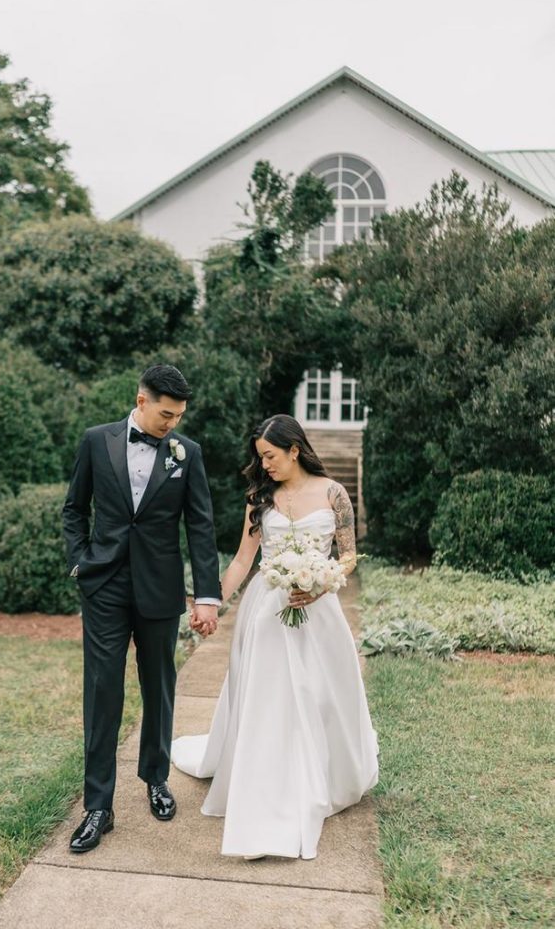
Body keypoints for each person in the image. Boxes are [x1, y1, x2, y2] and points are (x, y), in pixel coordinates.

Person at [174, 413, 379, 860]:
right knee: (271, 700)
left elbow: (348, 557)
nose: (264, 464)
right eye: (260, 457)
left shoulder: (334, 493)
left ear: (294, 449)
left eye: (270, 455)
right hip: (266, 613)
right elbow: (243, 560)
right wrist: (213, 601)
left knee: (319, 696)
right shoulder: (259, 499)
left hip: (318, 611)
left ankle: (317, 776)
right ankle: (268, 789)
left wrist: (321, 581)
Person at [62, 364, 221, 853]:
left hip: (159, 587)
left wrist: (208, 595)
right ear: (141, 400)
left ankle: (156, 777)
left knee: (159, 685)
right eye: (165, 414)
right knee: (102, 688)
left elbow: (200, 526)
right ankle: (98, 806)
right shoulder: (96, 440)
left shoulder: (186, 454)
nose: (171, 424)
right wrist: (79, 563)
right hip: (104, 585)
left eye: (178, 417)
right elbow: (74, 508)